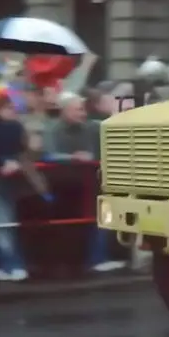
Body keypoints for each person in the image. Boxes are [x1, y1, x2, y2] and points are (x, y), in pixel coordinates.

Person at [44, 93, 125, 273]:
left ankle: (98, 258)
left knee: (98, 218)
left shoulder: (91, 127)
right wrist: (73, 157)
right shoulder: (52, 129)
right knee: (67, 225)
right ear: (64, 111)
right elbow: (49, 154)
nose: (82, 113)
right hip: (63, 184)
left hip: (90, 182)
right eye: (78, 109)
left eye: (82, 109)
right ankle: (67, 263)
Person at [0, 93, 33, 282]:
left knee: (9, 222)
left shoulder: (17, 127)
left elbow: (23, 151)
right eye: (9, 108)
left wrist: (16, 162)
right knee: (3, 221)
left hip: (16, 177)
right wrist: (2, 163)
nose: (13, 111)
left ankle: (4, 264)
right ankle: (8, 263)